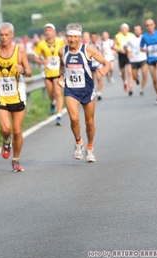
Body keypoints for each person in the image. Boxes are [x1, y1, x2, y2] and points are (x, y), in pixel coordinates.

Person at [57, 23, 110, 163]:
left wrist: (104, 70)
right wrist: (60, 77)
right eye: (69, 36)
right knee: (74, 119)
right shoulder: (62, 51)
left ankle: (90, 147)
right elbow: (61, 68)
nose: (72, 39)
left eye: (75, 36)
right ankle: (78, 142)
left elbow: (107, 62)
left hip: (87, 90)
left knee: (89, 122)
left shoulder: (88, 50)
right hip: (71, 90)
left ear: (80, 37)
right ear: (66, 36)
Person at [0, 22, 32, 172]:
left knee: (17, 130)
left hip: (17, 96)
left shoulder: (20, 51)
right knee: (6, 129)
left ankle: (16, 159)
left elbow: (29, 72)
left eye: (6, 35)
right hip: (1, 97)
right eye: (1, 35)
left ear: (12, 35)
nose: (4, 38)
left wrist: (23, 70)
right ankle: (6, 141)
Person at [33, 23, 65, 125]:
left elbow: (66, 53)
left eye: (50, 30)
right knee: (51, 94)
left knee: (58, 93)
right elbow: (35, 57)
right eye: (46, 30)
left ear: (54, 32)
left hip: (58, 72)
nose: (48, 32)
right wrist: (42, 62)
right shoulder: (41, 44)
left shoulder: (61, 42)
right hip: (47, 72)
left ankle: (59, 115)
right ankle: (52, 103)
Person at [125, 24, 148, 96]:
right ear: (134, 31)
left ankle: (142, 89)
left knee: (144, 73)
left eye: (139, 30)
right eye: (136, 30)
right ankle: (136, 78)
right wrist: (128, 52)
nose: (137, 31)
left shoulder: (145, 37)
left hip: (143, 58)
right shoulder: (131, 39)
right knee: (134, 76)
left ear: (141, 30)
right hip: (134, 60)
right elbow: (125, 46)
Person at [114, 23, 134, 94]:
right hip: (121, 55)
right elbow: (114, 46)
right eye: (123, 29)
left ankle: (130, 88)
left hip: (129, 55)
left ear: (128, 29)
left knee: (129, 72)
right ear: (121, 29)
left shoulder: (131, 35)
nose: (124, 30)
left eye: (125, 28)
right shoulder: (117, 36)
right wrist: (119, 50)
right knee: (122, 71)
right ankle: (125, 81)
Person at [89, 32, 104, 100]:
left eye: (95, 38)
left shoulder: (100, 44)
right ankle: (92, 90)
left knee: (99, 78)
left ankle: (99, 92)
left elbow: (102, 52)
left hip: (98, 63)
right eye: (92, 38)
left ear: (97, 38)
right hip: (91, 63)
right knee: (91, 79)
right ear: (90, 38)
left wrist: (103, 60)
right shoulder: (88, 45)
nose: (94, 39)